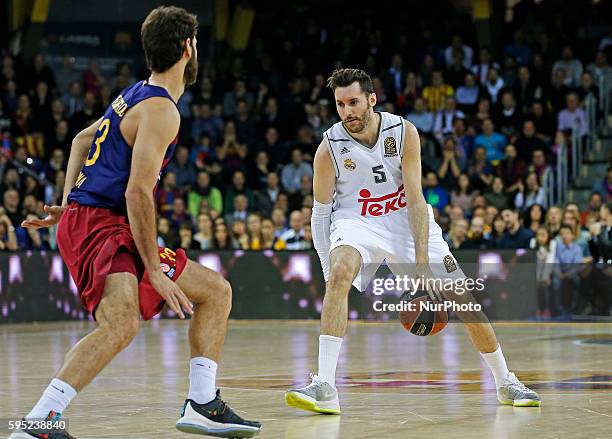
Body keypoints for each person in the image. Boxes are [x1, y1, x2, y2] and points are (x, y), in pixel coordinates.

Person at [17, 7, 261, 439]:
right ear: (188, 49)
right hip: (102, 223)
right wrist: (153, 270)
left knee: (215, 292)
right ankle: (38, 421)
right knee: (121, 324)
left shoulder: (134, 94)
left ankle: (202, 403)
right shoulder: (162, 110)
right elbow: (136, 192)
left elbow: (81, 139)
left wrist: (66, 202)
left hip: (94, 219)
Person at [285, 68, 540, 416]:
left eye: (354, 102)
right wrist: (329, 271)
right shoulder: (329, 148)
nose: (348, 111)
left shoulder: (403, 132)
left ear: (371, 100)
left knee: (463, 298)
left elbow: (417, 200)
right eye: (340, 104)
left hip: (406, 219)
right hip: (357, 221)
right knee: (340, 272)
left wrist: (421, 262)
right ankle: (325, 385)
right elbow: (320, 215)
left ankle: (505, 380)